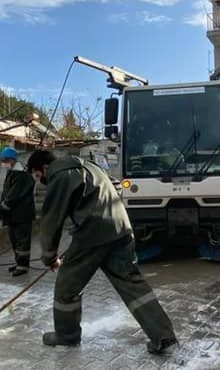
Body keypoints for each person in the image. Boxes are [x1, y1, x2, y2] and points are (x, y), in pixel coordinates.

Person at [26, 150, 178, 354]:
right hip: (121, 228)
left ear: (44, 168)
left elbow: (51, 220)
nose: (41, 180)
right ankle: (163, 335)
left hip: (93, 234)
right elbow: (110, 191)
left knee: (66, 287)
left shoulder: (60, 174)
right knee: (132, 284)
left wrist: (50, 257)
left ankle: (66, 336)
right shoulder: (90, 166)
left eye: (38, 175)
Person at [0, 147, 35, 277]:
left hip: (22, 215)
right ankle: (19, 263)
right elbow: (7, 194)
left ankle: (23, 266)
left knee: (22, 241)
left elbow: (14, 196)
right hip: (13, 216)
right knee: (15, 240)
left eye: (4, 160)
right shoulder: (12, 173)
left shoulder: (22, 175)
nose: (3, 163)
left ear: (11, 160)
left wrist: (1, 207)